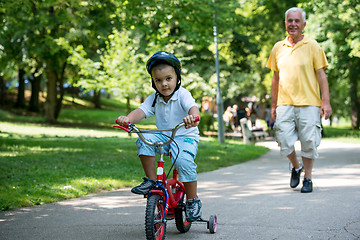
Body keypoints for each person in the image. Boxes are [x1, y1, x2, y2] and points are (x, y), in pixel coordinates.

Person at [116, 51, 202, 221]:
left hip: (185, 136)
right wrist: (127, 119)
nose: (164, 84)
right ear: (153, 82)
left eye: (168, 78)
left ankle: (193, 200)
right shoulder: (154, 99)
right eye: (158, 80)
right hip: (164, 136)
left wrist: (192, 117)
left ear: (177, 77)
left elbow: (193, 108)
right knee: (144, 140)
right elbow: (141, 111)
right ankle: (151, 181)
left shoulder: (182, 94)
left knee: (182, 162)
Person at [266, 7, 332, 193]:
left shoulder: (313, 46)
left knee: (309, 142)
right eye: (289, 20)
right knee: (283, 140)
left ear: (303, 24)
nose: (293, 24)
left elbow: (321, 76)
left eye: (296, 21)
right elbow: (275, 79)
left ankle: (308, 178)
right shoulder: (278, 47)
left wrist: (325, 102)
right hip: (284, 104)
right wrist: (273, 105)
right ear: (285, 23)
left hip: (310, 103)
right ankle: (296, 167)